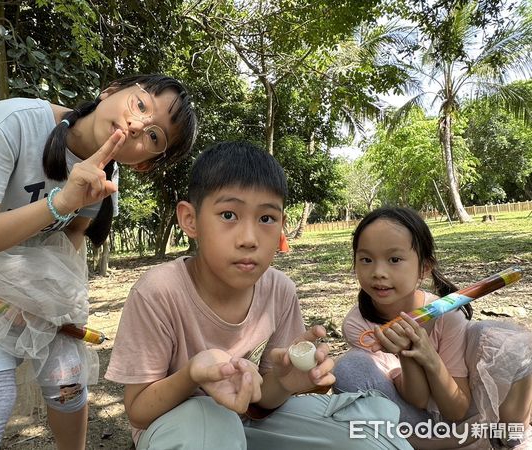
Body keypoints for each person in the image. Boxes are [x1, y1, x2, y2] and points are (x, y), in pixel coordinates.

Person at [0, 74, 197, 449]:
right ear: (110, 90)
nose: (138, 125)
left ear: (147, 164)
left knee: (69, 384)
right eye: (140, 105)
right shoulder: (9, 123)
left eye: (154, 137)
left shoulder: (107, 170)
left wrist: (40, 303)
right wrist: (59, 201)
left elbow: (68, 242)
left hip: (34, 289)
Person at [105, 141, 412, 450]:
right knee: (210, 421)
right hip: (178, 428)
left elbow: (262, 403)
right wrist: (192, 375)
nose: (250, 239)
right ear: (190, 219)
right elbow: (139, 411)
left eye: (266, 219)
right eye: (228, 214)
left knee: (371, 425)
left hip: (245, 422)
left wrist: (285, 383)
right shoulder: (158, 291)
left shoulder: (279, 289)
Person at [333, 206, 532, 449]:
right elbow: (416, 399)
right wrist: (407, 353)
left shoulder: (448, 316)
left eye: (394, 259)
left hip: (464, 414)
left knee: (497, 336)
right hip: (413, 420)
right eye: (366, 259)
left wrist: (428, 356)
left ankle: (510, 436)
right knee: (349, 367)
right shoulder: (358, 324)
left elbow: (456, 409)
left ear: (425, 268)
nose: (378, 272)